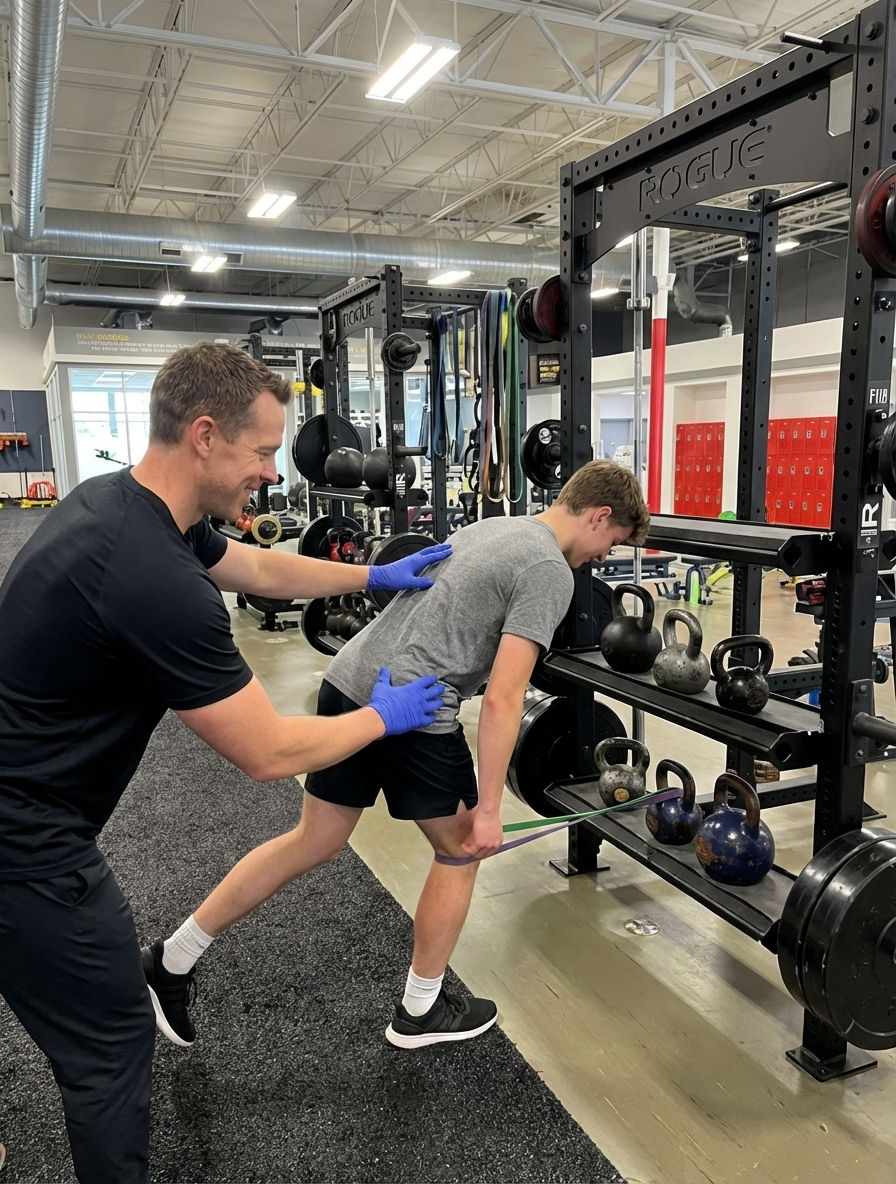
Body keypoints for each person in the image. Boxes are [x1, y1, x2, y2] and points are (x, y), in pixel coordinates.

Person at [0, 342, 449, 1184]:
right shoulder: (151, 579)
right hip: (26, 847)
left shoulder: (121, 505)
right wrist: (382, 721)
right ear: (205, 435)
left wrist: (374, 573)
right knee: (112, 1044)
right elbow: (268, 751)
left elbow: (258, 566)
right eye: (262, 452)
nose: (272, 475)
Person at [149, 459, 650, 1050]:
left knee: (314, 838)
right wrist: (490, 808)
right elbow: (504, 699)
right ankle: (421, 1008)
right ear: (598, 516)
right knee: (462, 848)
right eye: (609, 543)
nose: (598, 560)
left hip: (352, 679)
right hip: (413, 708)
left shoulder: (492, 527)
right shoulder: (549, 570)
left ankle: (170, 959)